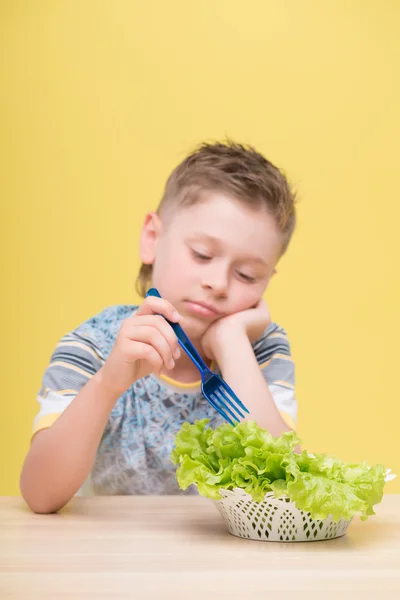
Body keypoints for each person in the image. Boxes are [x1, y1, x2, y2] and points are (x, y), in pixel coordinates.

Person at [20, 141, 298, 513]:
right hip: (109, 560)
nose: (218, 282)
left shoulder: (262, 349)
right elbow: (40, 495)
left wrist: (232, 342)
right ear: (152, 239)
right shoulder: (94, 346)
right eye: (201, 254)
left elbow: (284, 483)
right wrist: (107, 385)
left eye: (247, 275)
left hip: (228, 564)